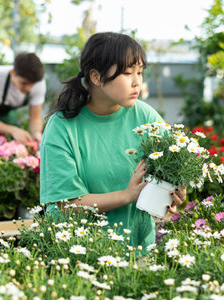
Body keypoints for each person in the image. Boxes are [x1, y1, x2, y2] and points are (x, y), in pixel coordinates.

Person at [40, 32, 186, 250]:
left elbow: (169, 178)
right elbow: (64, 205)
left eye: (140, 72)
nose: (137, 82)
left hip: (137, 249)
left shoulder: (146, 118)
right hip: (77, 253)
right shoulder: (62, 127)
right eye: (127, 73)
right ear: (96, 77)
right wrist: (126, 195)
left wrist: (173, 195)